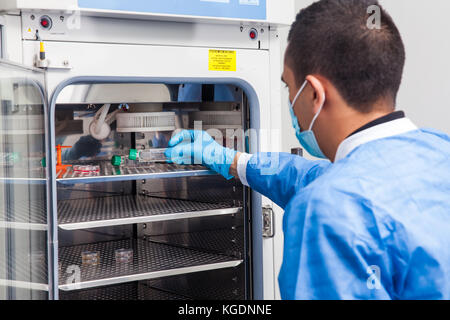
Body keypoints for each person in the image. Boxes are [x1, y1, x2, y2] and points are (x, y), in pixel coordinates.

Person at [165, 0, 450, 300]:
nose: (290, 101)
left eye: (289, 87)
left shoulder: (325, 210)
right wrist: (232, 160)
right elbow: (313, 177)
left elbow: (334, 194)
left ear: (314, 93)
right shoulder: (437, 151)